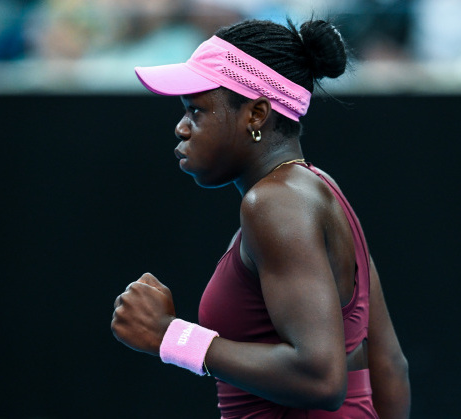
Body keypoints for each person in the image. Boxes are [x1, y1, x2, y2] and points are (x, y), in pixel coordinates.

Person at [111, 17, 411, 418]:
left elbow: (321, 380)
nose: (181, 128)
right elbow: (390, 366)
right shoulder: (320, 190)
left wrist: (171, 336)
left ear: (255, 114)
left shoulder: (273, 204)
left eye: (196, 110)